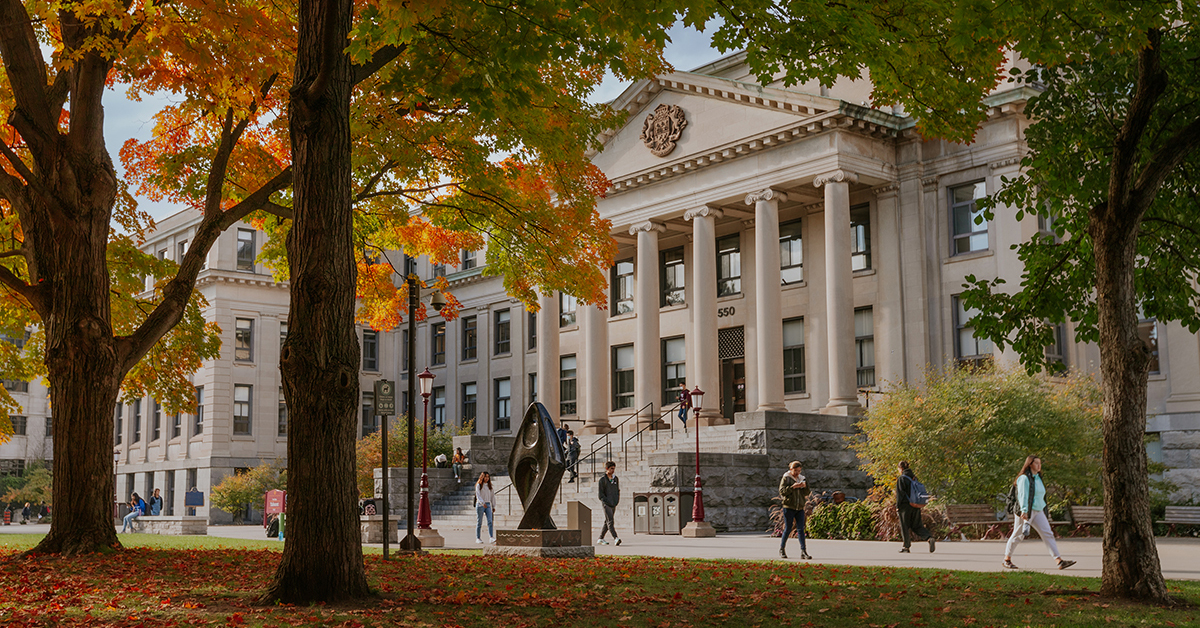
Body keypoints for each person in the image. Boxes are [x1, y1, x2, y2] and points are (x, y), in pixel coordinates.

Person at [1003, 455, 1076, 570]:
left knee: (1048, 533)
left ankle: (1059, 561)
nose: (1039, 465)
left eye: (1040, 463)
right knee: (1018, 535)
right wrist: (1024, 511)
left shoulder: (1038, 478)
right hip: (1026, 511)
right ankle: (1007, 559)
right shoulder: (1024, 478)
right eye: (1036, 463)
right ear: (1030, 464)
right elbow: (1023, 496)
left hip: (1038, 510)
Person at [895, 461, 935, 554]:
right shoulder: (914, 478)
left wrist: (898, 506)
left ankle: (906, 546)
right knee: (917, 526)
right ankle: (929, 538)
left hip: (905, 506)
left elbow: (900, 494)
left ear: (900, 468)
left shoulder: (902, 478)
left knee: (905, 526)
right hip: (915, 505)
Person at [778, 461, 812, 559]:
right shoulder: (786, 478)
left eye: (799, 471)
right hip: (789, 507)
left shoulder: (802, 478)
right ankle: (782, 549)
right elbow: (782, 492)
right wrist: (792, 487)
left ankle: (803, 551)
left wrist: (804, 487)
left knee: (801, 529)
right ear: (791, 469)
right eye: (795, 470)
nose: (797, 473)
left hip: (800, 507)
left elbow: (807, 492)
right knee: (788, 528)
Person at [597, 461, 622, 545]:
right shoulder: (602, 480)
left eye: (614, 469)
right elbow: (600, 494)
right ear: (607, 469)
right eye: (611, 468)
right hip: (607, 504)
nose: (613, 470)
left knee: (607, 521)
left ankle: (600, 538)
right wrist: (606, 501)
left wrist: (616, 500)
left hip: (613, 503)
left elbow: (617, 490)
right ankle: (616, 538)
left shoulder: (615, 479)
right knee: (610, 521)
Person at [475, 471, 495, 544]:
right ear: (482, 477)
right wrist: (482, 503)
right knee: (479, 522)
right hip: (480, 505)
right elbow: (478, 495)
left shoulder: (490, 486)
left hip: (488, 504)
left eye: (488, 477)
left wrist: (493, 505)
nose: (487, 478)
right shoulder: (479, 485)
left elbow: (492, 496)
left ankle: (491, 537)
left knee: (490, 521)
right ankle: (478, 538)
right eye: (485, 477)